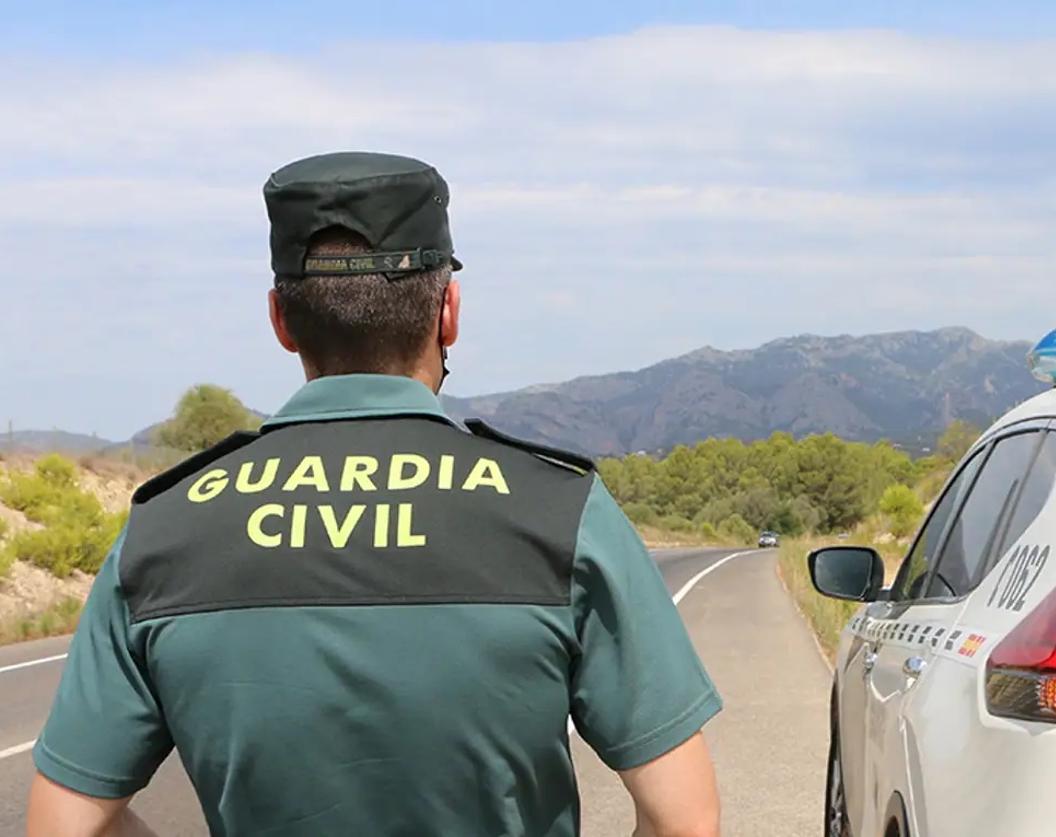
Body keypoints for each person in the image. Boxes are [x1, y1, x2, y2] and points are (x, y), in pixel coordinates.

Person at [26, 152, 722, 837]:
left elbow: (65, 824)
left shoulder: (164, 529)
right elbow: (683, 819)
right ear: (448, 311)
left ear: (281, 319)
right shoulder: (559, 510)